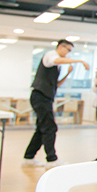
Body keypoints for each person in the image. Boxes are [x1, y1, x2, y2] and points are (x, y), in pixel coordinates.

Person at [23, 39, 90, 169]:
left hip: (46, 97)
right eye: (68, 50)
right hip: (40, 96)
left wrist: (68, 73)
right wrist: (80, 61)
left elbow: (56, 85)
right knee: (50, 128)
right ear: (60, 47)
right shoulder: (50, 55)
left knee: (41, 129)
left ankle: (29, 157)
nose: (68, 53)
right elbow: (57, 60)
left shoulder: (57, 66)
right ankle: (51, 159)